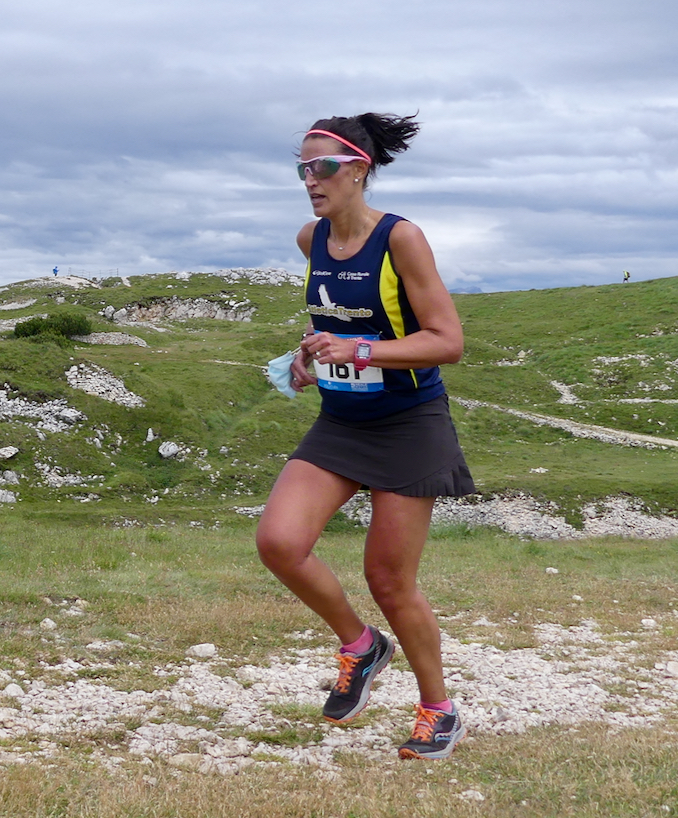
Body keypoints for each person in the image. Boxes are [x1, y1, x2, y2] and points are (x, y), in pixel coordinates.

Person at [255, 113, 475, 760]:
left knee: (389, 579)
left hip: (409, 424)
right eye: (302, 167)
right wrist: (308, 354)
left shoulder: (400, 238)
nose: (309, 179)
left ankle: (439, 710)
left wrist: (358, 350)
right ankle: (361, 646)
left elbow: (447, 341)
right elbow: (336, 322)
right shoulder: (311, 239)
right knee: (279, 542)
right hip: (342, 422)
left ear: (358, 169)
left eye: (322, 167)